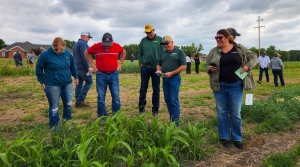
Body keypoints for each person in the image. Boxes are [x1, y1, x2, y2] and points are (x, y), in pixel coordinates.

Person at [205, 29, 257, 149]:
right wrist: (209, 68)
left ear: (227, 37)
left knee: (235, 113)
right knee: (222, 112)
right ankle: (224, 137)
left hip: (235, 85)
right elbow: (206, 65)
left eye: (220, 37)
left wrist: (247, 66)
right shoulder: (214, 51)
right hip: (219, 85)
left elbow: (254, 57)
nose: (218, 40)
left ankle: (237, 138)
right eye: (216, 37)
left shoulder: (239, 48)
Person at [36, 37, 78, 129]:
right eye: (56, 49)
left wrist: (76, 76)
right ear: (52, 46)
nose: (58, 51)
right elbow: (39, 68)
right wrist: (41, 81)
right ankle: (55, 126)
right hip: (52, 84)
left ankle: (67, 121)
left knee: (68, 104)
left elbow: (72, 66)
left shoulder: (67, 54)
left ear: (64, 46)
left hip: (67, 83)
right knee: (54, 106)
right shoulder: (45, 55)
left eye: (61, 49)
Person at [85, 32, 126, 118]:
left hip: (113, 74)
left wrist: (120, 63)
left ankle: (116, 116)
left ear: (112, 41)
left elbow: (123, 52)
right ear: (102, 41)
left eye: (108, 44)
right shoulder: (96, 46)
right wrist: (92, 64)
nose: (107, 46)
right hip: (101, 74)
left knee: (116, 96)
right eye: (105, 44)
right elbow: (86, 53)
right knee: (101, 97)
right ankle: (102, 117)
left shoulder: (116, 46)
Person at [156, 35, 186, 126]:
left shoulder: (179, 52)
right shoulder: (163, 53)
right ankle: (172, 119)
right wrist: (158, 70)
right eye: (163, 44)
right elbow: (158, 64)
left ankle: (176, 122)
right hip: (165, 78)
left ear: (172, 42)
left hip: (174, 78)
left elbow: (183, 66)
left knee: (174, 100)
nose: (165, 45)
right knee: (168, 100)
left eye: (167, 43)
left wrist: (172, 73)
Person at [138, 23, 164, 115]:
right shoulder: (143, 41)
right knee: (143, 88)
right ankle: (141, 108)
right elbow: (140, 53)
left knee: (156, 89)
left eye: (150, 32)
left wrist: (160, 66)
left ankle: (155, 109)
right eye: (146, 33)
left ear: (154, 30)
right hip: (145, 68)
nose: (148, 34)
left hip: (156, 69)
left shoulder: (160, 40)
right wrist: (141, 63)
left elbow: (163, 53)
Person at [73, 32, 94, 107]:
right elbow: (84, 55)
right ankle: (80, 100)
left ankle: (78, 101)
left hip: (76, 68)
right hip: (83, 67)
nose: (89, 39)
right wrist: (88, 67)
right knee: (89, 82)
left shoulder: (75, 44)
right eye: (88, 37)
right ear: (84, 36)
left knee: (79, 84)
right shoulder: (83, 44)